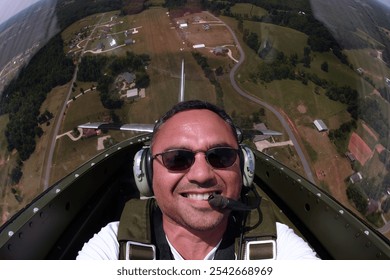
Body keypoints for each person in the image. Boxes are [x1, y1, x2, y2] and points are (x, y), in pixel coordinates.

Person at [77, 100, 319, 260]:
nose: (201, 175)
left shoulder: (279, 247)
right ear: (147, 173)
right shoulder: (112, 247)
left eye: (221, 156)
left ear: (245, 168)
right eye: (176, 158)